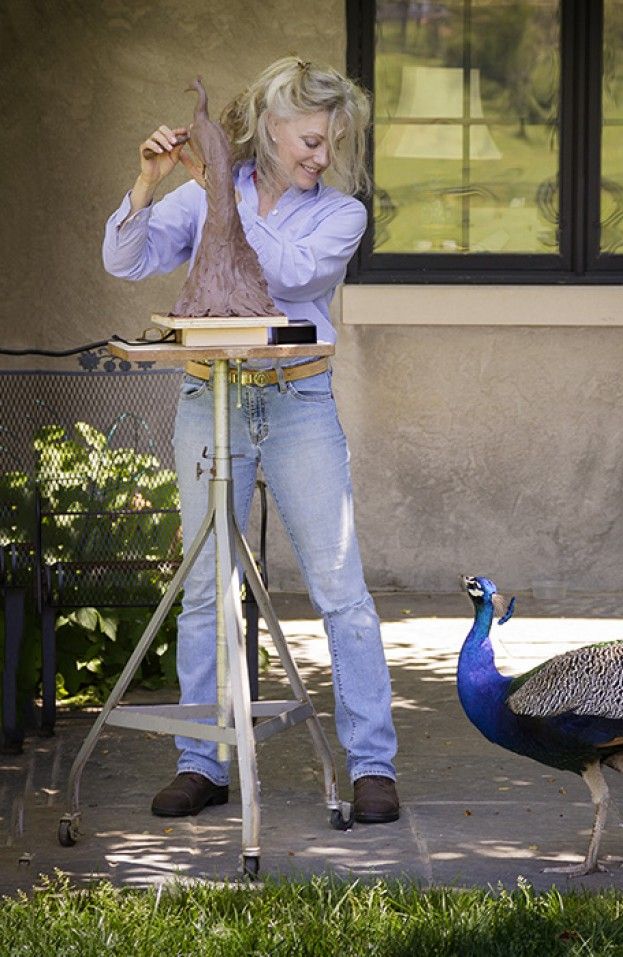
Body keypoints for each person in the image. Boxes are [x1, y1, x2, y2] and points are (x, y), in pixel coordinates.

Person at [102, 56, 399, 824]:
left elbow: (296, 278)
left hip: (296, 397)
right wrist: (149, 184)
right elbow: (125, 258)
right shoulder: (211, 193)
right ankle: (203, 761)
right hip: (210, 394)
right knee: (205, 587)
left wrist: (217, 194)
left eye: (331, 143)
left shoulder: (342, 215)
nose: (321, 157)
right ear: (270, 128)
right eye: (308, 140)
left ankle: (372, 765)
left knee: (340, 588)